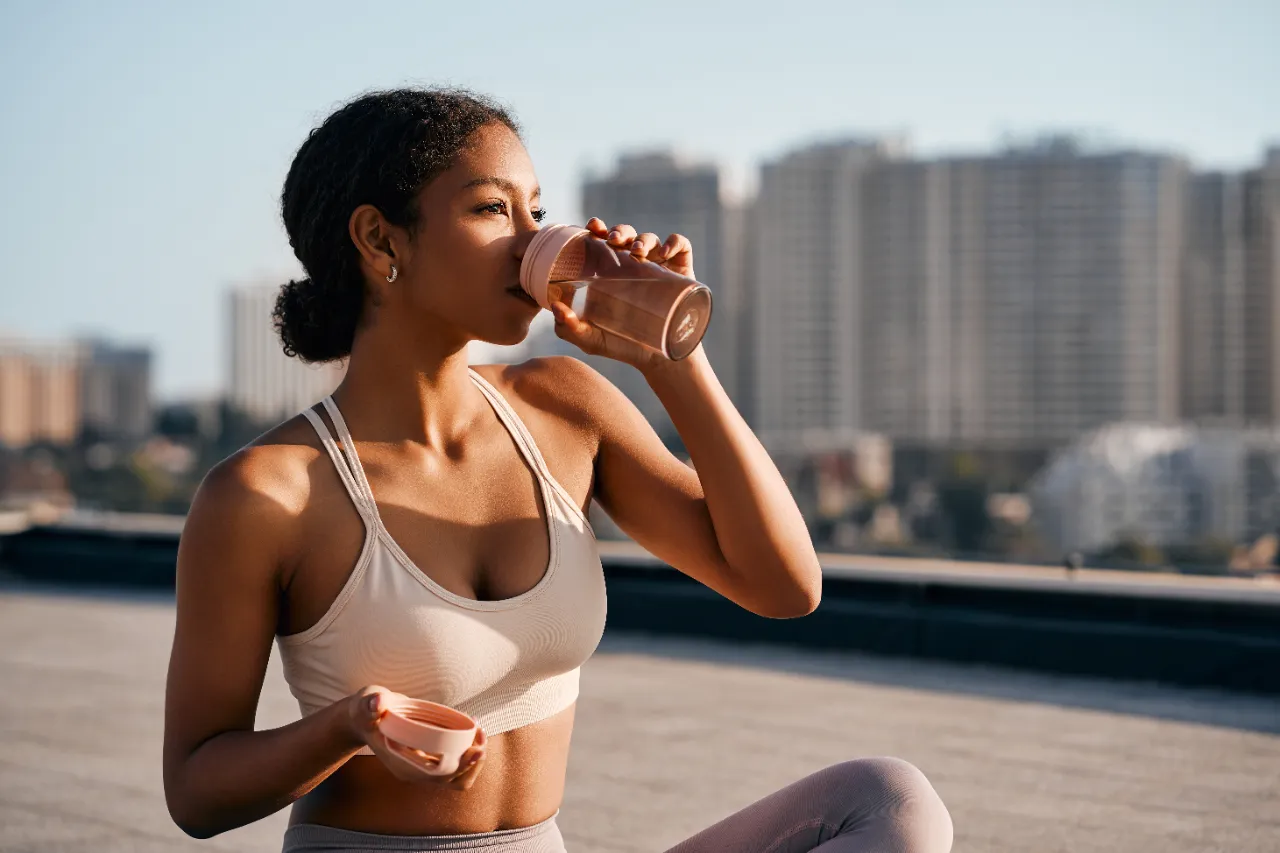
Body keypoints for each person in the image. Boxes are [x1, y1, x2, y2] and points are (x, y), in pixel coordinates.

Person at [162, 87, 952, 853]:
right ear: (380, 240)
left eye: (535, 209)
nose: (532, 239)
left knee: (886, 798)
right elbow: (198, 790)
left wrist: (673, 358)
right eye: (490, 208)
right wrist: (344, 726)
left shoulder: (563, 407)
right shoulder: (268, 493)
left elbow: (784, 586)